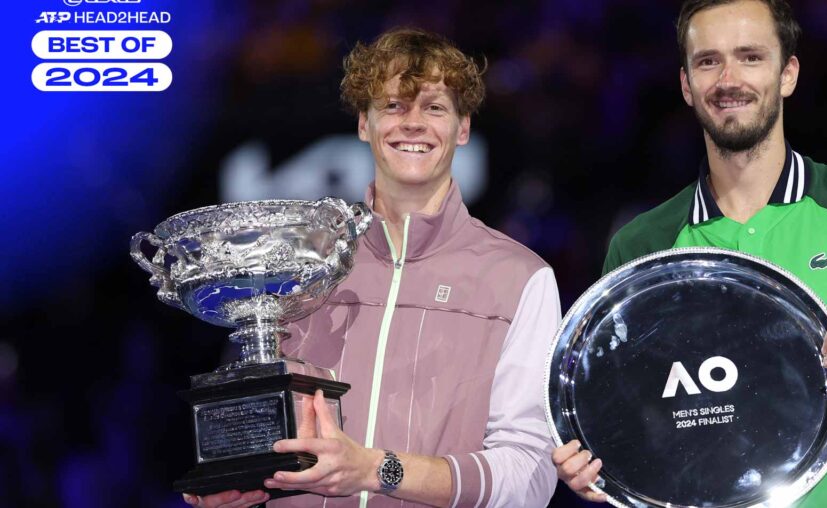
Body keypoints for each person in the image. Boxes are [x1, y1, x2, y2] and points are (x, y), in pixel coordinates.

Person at [552, 1, 827, 506]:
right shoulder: (643, 246)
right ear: (685, 85)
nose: (728, 79)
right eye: (708, 62)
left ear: (787, 73)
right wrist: (597, 466)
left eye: (750, 57)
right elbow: (627, 417)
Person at [184, 28, 560, 508]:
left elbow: (529, 477)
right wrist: (241, 488)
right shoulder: (303, 267)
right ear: (364, 123)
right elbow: (267, 438)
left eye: (434, 108)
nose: (413, 124)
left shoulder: (520, 278)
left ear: (463, 128)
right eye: (393, 106)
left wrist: (375, 469)